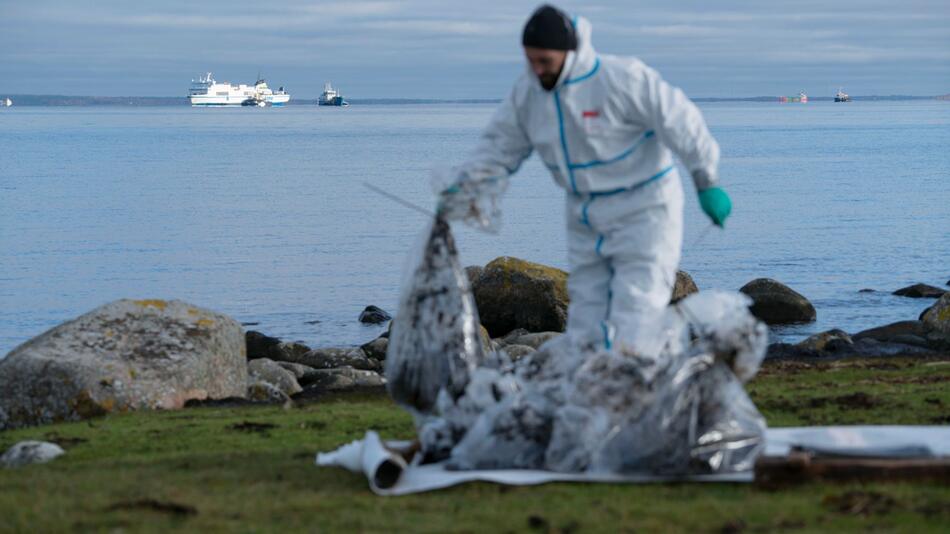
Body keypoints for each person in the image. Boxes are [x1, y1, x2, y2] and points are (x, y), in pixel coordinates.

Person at [437, 4, 731, 357]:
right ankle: (598, 394)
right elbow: (498, 147)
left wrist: (706, 179)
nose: (537, 69)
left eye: (544, 61)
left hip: (645, 208)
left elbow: (681, 122)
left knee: (637, 308)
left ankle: (642, 389)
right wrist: (468, 185)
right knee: (588, 317)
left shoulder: (621, 79)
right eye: (531, 60)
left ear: (569, 52)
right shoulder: (528, 95)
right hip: (585, 211)